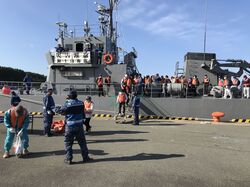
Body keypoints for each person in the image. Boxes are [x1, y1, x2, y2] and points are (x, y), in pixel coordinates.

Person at [57, 90, 92, 164]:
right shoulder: (81, 103)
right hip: (79, 125)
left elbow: (62, 112)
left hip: (70, 126)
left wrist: (56, 109)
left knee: (68, 143)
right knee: (82, 143)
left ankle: (69, 159)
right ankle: (86, 158)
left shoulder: (67, 104)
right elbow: (83, 115)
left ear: (69, 96)